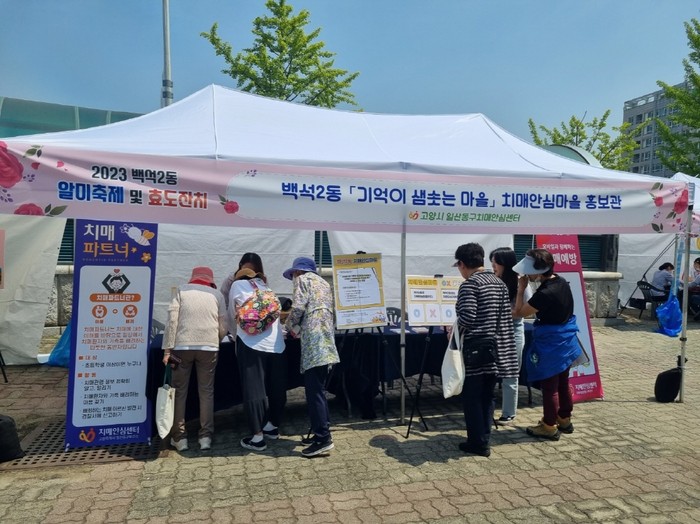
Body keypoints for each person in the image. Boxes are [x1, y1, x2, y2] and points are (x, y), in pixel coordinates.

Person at [454, 243, 518, 457]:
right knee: (488, 396)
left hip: (475, 350)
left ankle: (477, 442)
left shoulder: (470, 285)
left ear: (462, 264)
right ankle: (484, 438)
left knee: (472, 397)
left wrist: (453, 329)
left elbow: (467, 317)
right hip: (496, 349)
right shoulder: (499, 283)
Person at [513, 248, 581, 440]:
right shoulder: (560, 281)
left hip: (552, 343)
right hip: (566, 339)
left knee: (550, 386)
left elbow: (519, 313)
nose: (526, 275)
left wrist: (520, 289)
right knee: (563, 382)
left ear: (539, 271)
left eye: (529, 271)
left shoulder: (545, 293)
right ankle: (564, 418)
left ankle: (549, 426)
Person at [162, 266, 228, 452]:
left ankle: (180, 438)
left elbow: (172, 322)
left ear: (193, 278)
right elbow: (223, 325)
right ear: (210, 280)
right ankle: (205, 437)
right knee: (206, 392)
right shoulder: (217, 295)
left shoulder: (181, 291)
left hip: (182, 347)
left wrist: (167, 350)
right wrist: (216, 339)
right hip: (209, 347)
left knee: (179, 392)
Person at [283, 256, 340, 458]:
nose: (293, 278)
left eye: (293, 274)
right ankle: (320, 432)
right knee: (319, 390)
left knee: (314, 392)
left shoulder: (303, 280)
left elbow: (298, 307)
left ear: (298, 271)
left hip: (314, 344)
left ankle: (323, 438)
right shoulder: (324, 283)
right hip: (326, 341)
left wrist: (288, 325)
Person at [229, 266, 286, 452]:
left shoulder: (237, 286)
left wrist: (234, 336)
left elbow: (231, 315)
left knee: (254, 389)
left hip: (251, 342)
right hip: (276, 343)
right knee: (276, 386)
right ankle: (273, 426)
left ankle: (257, 437)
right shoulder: (266, 287)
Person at [489, 247, 532, 425]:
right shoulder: (493, 280)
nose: (493, 266)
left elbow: (524, 312)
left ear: (505, 263)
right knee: (489, 372)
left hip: (513, 331)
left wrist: (501, 312)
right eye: (492, 263)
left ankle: (508, 413)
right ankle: (487, 409)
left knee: (510, 373)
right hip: (493, 331)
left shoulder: (520, 282)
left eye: (496, 263)